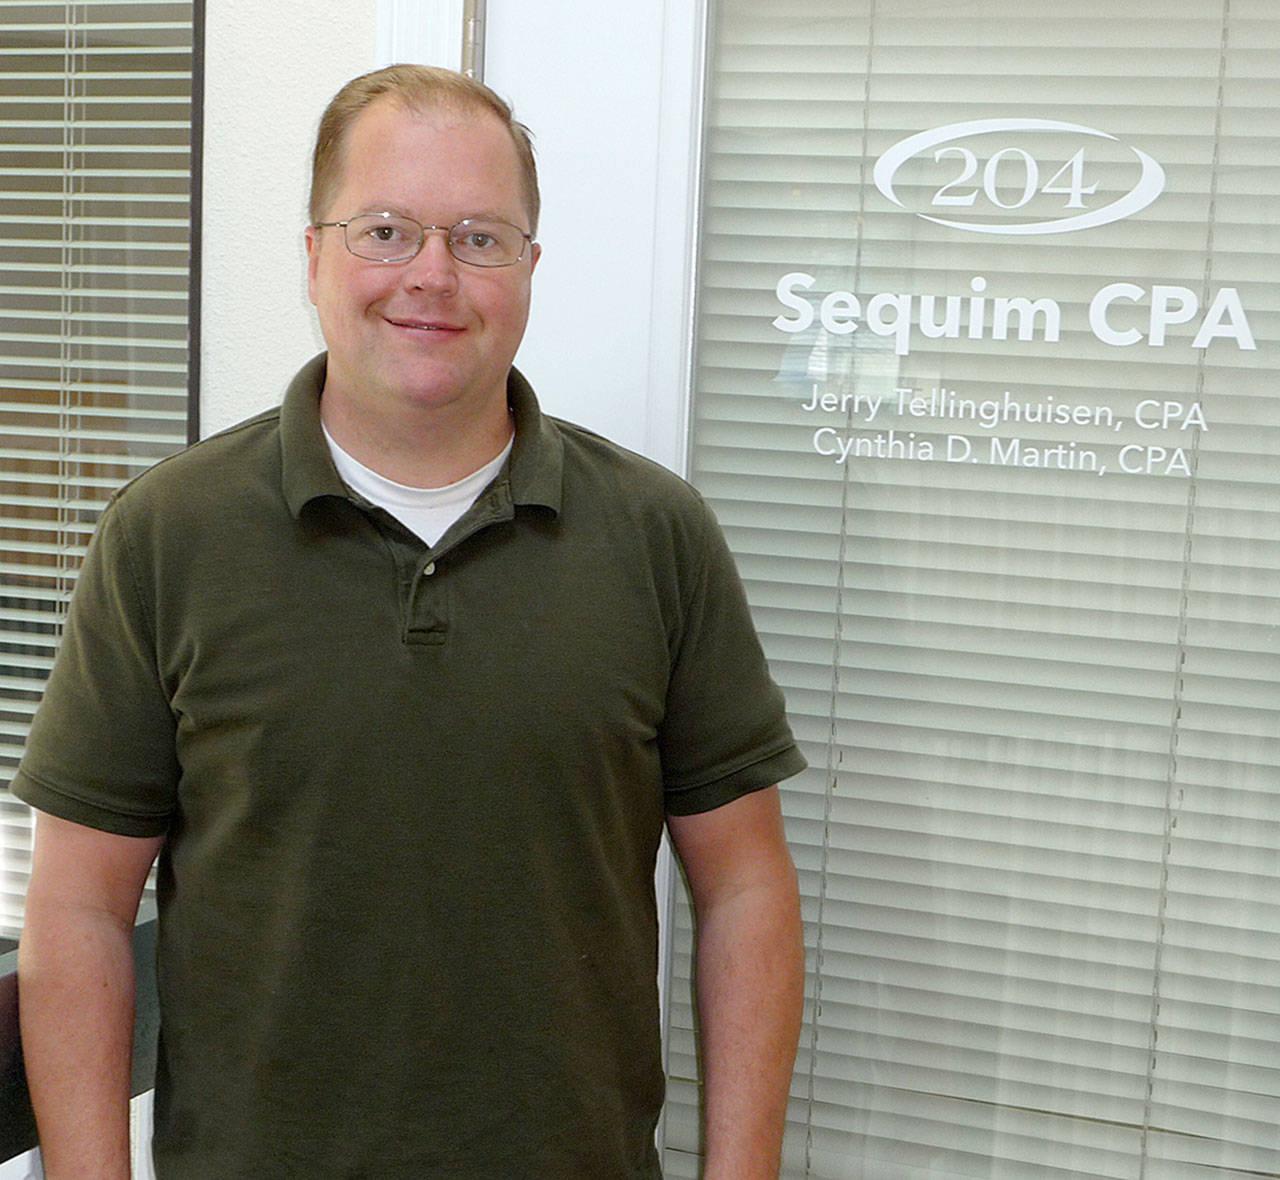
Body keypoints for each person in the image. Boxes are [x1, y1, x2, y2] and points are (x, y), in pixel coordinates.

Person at [14, 64, 805, 1178]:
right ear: (312, 256)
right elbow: (80, 909)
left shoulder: (654, 535)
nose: (431, 275)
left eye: (479, 238)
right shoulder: (167, 535)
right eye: (385, 230)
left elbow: (743, 887)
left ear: (531, 268)